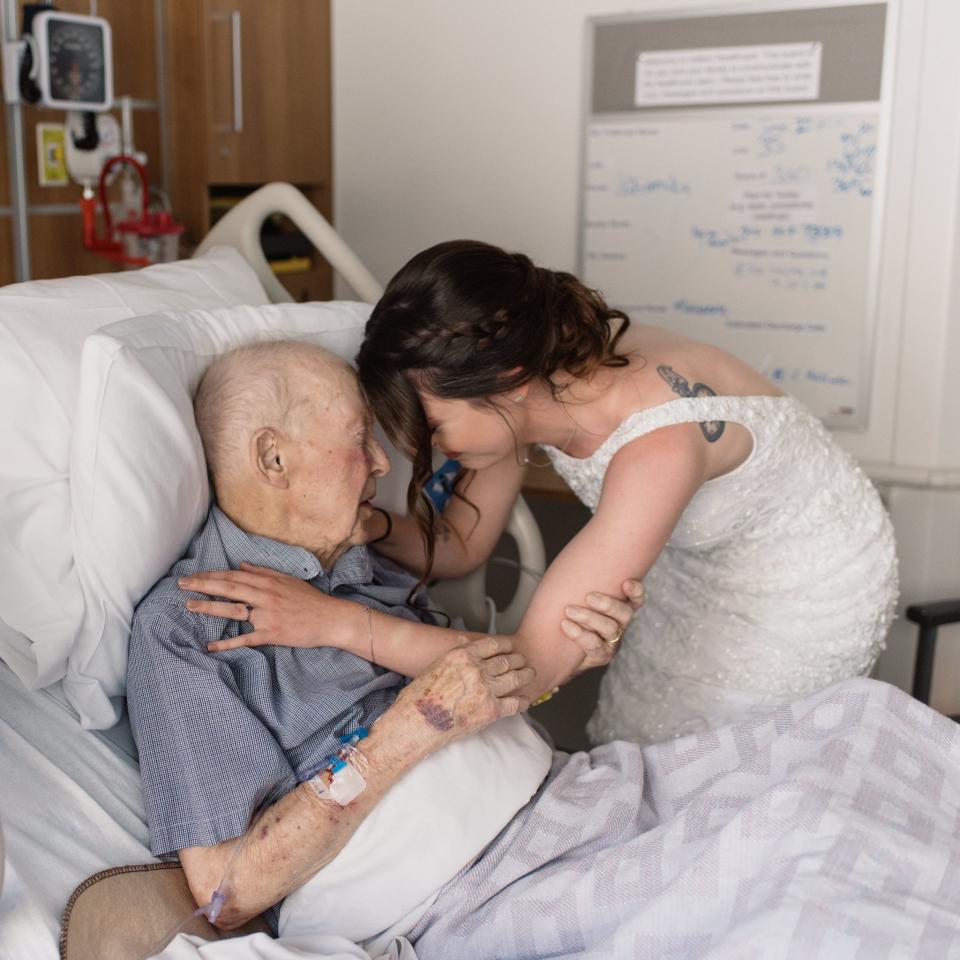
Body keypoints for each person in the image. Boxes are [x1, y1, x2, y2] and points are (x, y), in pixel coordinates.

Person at [129, 341, 641, 940]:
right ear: (272, 458)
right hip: (475, 892)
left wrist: (566, 658)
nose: (378, 463)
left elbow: (476, 682)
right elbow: (226, 888)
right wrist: (414, 725)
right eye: (359, 437)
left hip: (561, 800)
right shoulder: (189, 625)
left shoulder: (364, 562)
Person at [342, 239, 898, 746]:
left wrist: (330, 623)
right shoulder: (533, 383)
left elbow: (531, 664)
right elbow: (462, 544)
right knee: (641, 729)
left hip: (811, 577)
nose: (426, 451)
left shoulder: (657, 444)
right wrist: (369, 526)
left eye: (434, 428)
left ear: (505, 382)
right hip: (700, 560)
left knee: (716, 760)